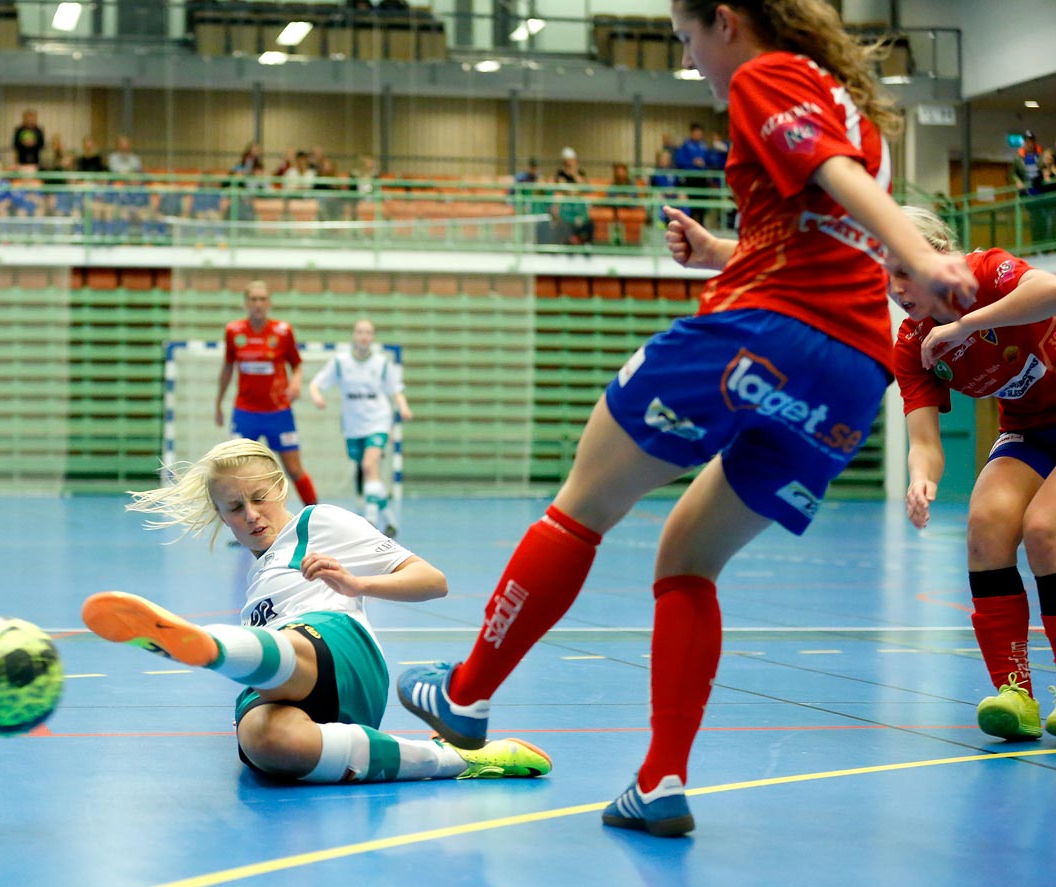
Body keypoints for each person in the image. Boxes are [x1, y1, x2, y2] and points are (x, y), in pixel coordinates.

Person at [394, 0, 978, 838]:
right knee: (687, 557)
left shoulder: (766, 75)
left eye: (686, 38)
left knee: (582, 504)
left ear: (727, 21)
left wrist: (919, 257)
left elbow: (836, 183)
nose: (692, 58)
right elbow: (827, 235)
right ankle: (660, 779)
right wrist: (721, 255)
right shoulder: (846, 105)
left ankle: (466, 692)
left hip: (762, 336)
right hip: (852, 375)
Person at [80, 440, 552, 784]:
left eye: (259, 497)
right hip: (281, 683)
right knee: (267, 744)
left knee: (286, 645)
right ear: (222, 517)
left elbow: (434, 581)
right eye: (235, 507)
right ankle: (455, 759)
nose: (251, 514)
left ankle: (212, 648)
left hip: (339, 649)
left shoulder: (318, 523)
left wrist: (357, 582)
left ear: (280, 487)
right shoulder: (257, 580)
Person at [890, 205, 1056, 743]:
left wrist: (966, 324)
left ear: (939, 253)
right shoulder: (913, 345)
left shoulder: (986, 273)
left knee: (1045, 530)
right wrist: (922, 478)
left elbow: (1051, 288)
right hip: (1032, 431)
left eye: (903, 270)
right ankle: (1016, 694)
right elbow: (924, 442)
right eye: (884, 275)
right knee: (986, 526)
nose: (895, 287)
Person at [216, 280, 319, 507]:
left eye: (262, 299)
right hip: (245, 413)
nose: (258, 304)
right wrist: (218, 404)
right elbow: (227, 367)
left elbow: (297, 364)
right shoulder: (233, 331)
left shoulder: (283, 331)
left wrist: (295, 384)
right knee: (238, 472)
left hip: (278, 412)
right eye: (253, 299)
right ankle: (245, 526)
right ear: (246, 303)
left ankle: (318, 518)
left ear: (269, 303)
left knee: (293, 469)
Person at [309, 319, 413, 537]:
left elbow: (395, 391)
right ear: (354, 336)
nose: (364, 336)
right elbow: (316, 383)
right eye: (360, 332)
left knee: (368, 465)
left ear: (373, 337)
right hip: (353, 426)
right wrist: (317, 396)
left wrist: (403, 407)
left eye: (368, 332)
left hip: (378, 421)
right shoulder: (340, 362)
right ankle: (390, 520)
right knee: (370, 471)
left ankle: (371, 519)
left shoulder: (382, 364)